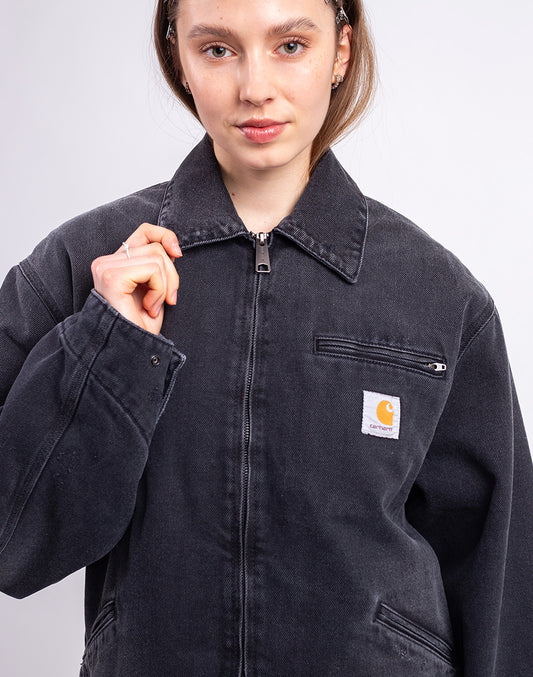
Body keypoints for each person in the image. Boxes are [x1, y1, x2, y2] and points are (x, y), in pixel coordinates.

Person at [0, 0, 531, 675]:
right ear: (178, 56)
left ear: (340, 50)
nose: (255, 87)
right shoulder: (84, 266)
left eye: (289, 45)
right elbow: (14, 546)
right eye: (218, 49)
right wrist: (108, 343)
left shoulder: (438, 296)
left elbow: (500, 585)